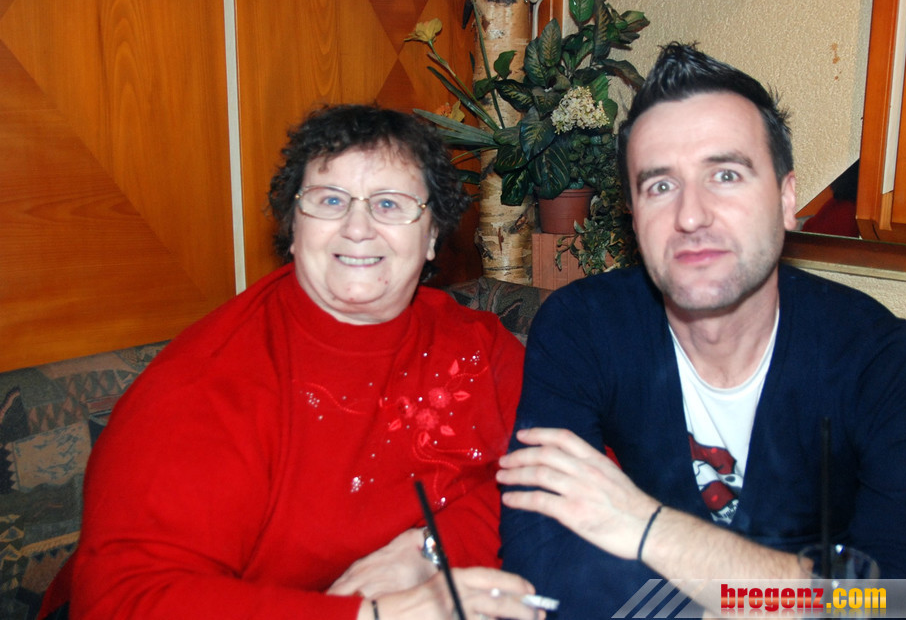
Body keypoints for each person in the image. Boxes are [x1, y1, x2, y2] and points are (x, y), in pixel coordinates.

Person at [497, 44, 906, 617]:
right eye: (660, 186)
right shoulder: (583, 329)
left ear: (787, 200)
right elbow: (544, 563)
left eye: (725, 174)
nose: (691, 215)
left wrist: (651, 529)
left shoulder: (883, 364)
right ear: (633, 217)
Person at [46, 105, 542, 620]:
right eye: (330, 200)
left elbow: (570, 467)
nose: (357, 228)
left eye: (389, 204)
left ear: (433, 235)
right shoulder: (207, 383)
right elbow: (123, 601)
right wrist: (372, 615)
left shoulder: (476, 345)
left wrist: (429, 551)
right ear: (293, 227)